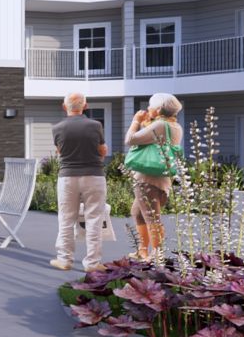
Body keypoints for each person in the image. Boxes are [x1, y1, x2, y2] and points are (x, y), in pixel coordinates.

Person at [49, 91, 110, 272]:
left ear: (64, 106)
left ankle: (64, 260)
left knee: (66, 220)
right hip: (94, 176)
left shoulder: (57, 128)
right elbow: (103, 151)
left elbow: (60, 152)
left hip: (67, 177)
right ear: (85, 106)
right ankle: (92, 263)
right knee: (94, 219)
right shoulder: (95, 125)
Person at [125, 93, 184, 262]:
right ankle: (142, 250)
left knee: (151, 216)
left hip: (148, 179)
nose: (148, 109)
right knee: (137, 212)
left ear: (158, 109)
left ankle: (156, 254)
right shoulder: (174, 126)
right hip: (160, 177)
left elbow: (130, 139)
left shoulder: (160, 125)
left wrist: (136, 120)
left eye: (150, 106)